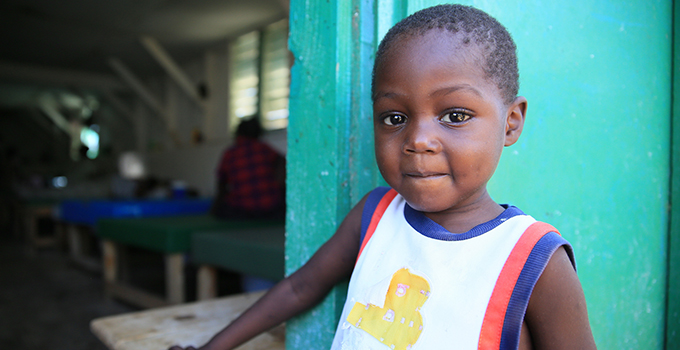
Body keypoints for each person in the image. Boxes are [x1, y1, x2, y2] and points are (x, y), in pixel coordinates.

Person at [171, 4, 596, 350]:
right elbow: (301, 288)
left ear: (510, 122)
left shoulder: (534, 259)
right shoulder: (376, 214)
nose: (418, 140)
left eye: (455, 115)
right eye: (394, 117)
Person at [211, 117, 285, 220]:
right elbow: (283, 162)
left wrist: (215, 208)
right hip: (270, 209)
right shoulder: (265, 150)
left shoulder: (230, 154)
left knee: (222, 210)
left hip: (242, 210)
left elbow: (221, 184)